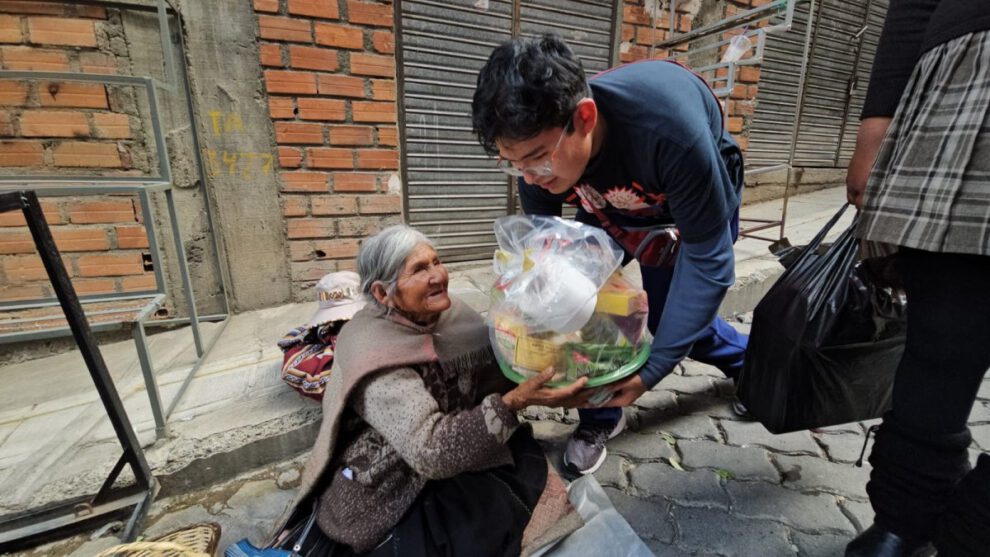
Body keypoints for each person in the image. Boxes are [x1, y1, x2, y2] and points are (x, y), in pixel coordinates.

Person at [471, 34, 749, 476]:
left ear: (584, 118)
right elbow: (547, 252)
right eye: (513, 163)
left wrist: (652, 371)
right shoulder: (542, 158)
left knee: (673, 323)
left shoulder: (671, 133)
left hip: (686, 215)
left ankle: (754, 366)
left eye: (537, 159)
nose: (528, 176)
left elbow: (709, 260)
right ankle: (601, 414)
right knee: (577, 306)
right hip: (608, 202)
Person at [259, 225, 590, 557]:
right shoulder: (373, 353)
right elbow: (432, 453)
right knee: (467, 535)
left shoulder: (451, 315)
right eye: (419, 269)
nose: (438, 275)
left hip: (452, 442)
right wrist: (515, 401)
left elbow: (498, 369)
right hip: (391, 479)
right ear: (381, 293)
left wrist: (545, 352)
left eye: (437, 261)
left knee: (518, 476)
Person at [843, 1, 990, 556]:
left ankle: (972, 531)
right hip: (968, 75)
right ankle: (906, 516)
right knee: (939, 339)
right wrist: (874, 126)